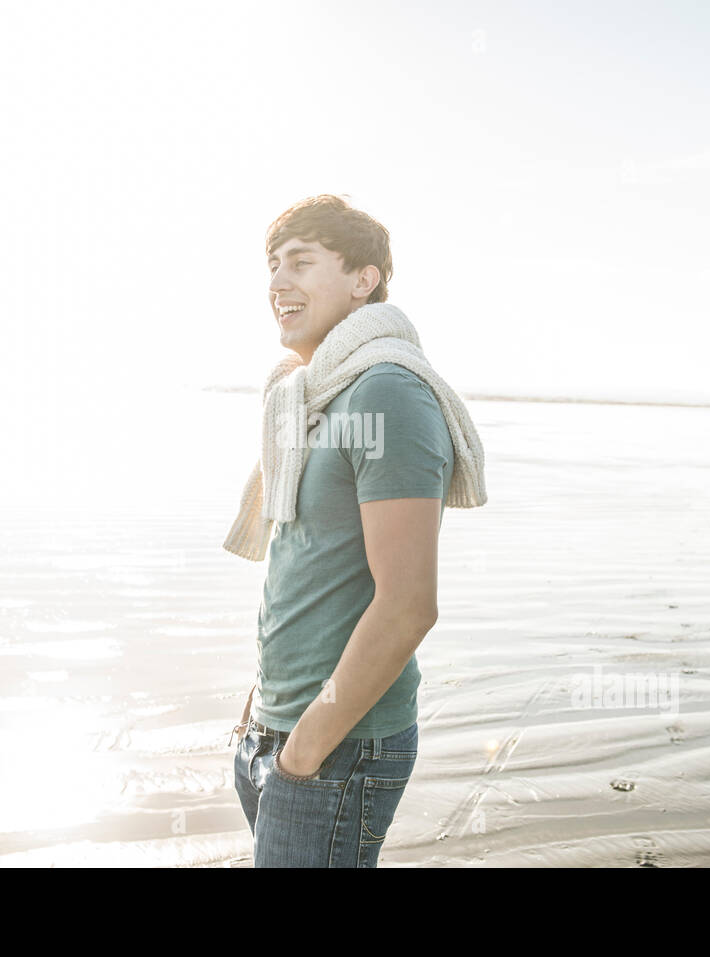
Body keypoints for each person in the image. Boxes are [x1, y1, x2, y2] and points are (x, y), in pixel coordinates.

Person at [224, 194, 487, 867]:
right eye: (273, 266)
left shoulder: (387, 393)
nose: (278, 283)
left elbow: (407, 606)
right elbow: (298, 563)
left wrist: (306, 748)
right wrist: (262, 711)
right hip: (278, 734)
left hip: (338, 746)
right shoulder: (307, 397)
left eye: (302, 263)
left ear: (364, 278)